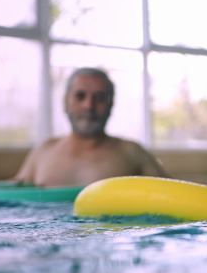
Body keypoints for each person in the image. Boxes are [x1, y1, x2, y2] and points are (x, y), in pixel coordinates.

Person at [13, 67, 167, 186]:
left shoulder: (132, 153)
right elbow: (11, 199)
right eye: (80, 96)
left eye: (100, 98)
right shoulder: (44, 151)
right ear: (66, 102)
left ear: (111, 104)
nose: (89, 105)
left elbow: (174, 197)